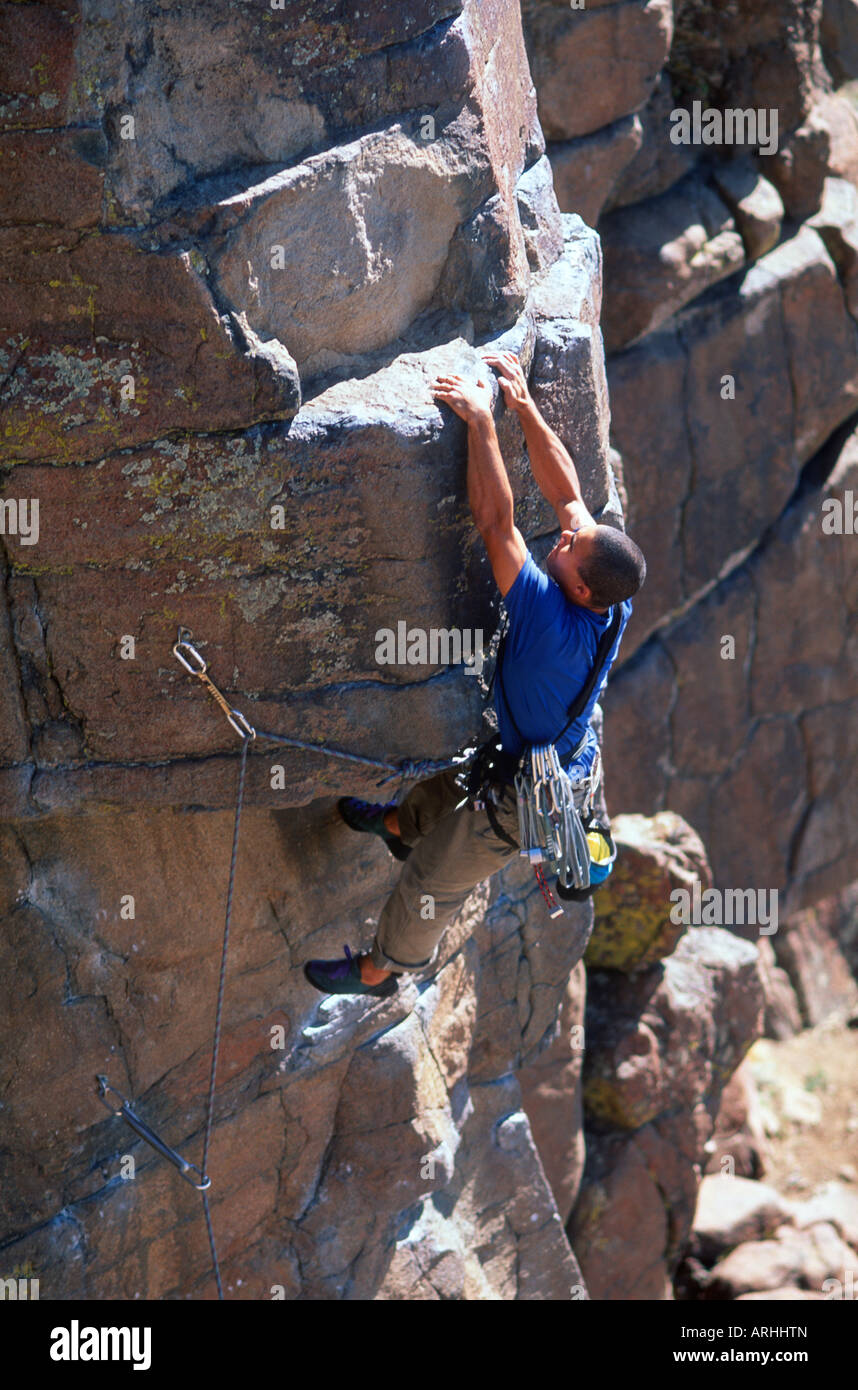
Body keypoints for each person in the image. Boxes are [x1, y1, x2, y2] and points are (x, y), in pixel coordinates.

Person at [305, 351, 646, 997]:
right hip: (542, 757)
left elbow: (496, 523)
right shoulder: (610, 590)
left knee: (433, 885)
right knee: (451, 786)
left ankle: (383, 971)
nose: (564, 540)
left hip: (523, 805)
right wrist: (523, 405)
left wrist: (482, 423)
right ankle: (402, 827)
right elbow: (570, 496)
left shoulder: (550, 621)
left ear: (577, 590)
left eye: (569, 551)